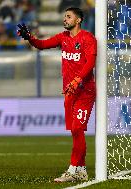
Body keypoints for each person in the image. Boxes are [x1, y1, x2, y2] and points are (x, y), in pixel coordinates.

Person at [17, 7, 97, 182]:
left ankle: (71, 170)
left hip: (85, 92)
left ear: (78, 20)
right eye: (64, 16)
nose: (65, 19)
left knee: (77, 129)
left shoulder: (88, 38)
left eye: (68, 17)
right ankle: (82, 170)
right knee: (76, 132)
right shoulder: (63, 37)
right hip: (69, 93)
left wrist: (77, 80)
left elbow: (90, 62)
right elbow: (42, 45)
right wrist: (29, 37)